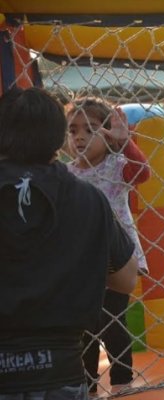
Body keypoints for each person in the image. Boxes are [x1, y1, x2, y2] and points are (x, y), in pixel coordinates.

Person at [0, 87, 138, 398]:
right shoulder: (87, 197)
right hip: (60, 371)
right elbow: (126, 279)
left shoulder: (93, 187)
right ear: (59, 138)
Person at [66, 97, 150, 393]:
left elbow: (143, 173)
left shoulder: (116, 165)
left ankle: (121, 382)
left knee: (113, 321)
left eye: (90, 130)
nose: (80, 137)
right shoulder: (68, 173)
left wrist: (125, 143)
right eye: (73, 130)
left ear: (106, 134)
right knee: (85, 327)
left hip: (117, 257)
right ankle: (87, 384)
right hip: (83, 259)